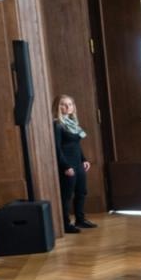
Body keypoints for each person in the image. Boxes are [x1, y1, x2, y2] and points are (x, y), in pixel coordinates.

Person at [54, 95, 94, 233]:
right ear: (58, 107)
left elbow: (76, 145)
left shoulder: (73, 124)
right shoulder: (57, 125)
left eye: (70, 104)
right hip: (67, 165)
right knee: (67, 195)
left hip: (78, 163)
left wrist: (84, 159)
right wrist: (65, 166)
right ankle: (65, 224)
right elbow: (57, 148)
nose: (67, 107)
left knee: (81, 192)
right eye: (63, 104)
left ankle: (80, 220)